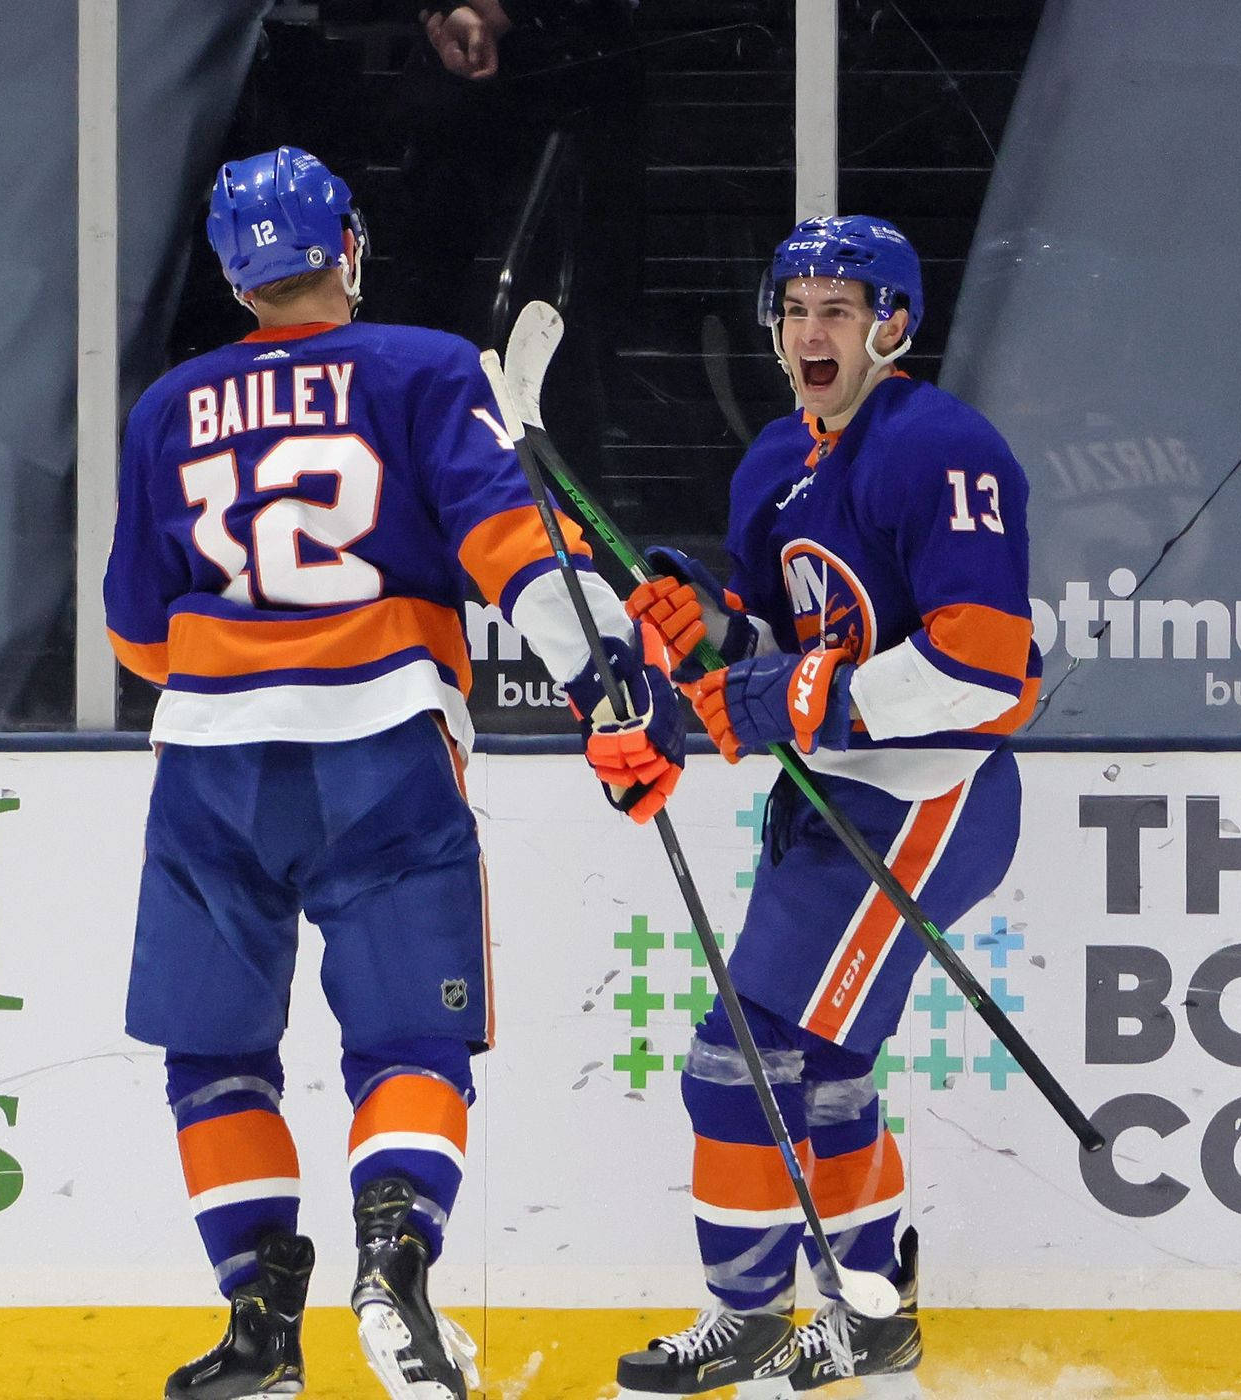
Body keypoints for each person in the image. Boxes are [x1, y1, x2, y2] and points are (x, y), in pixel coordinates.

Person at [103, 145, 684, 1400]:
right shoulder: (423, 368)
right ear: (347, 248)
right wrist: (607, 687)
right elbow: (515, 545)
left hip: (209, 761)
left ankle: (261, 1319)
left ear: (229, 275)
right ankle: (393, 1254)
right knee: (410, 1037)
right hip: (381, 744)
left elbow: (136, 636)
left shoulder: (165, 410)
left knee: (213, 1054)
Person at [617, 216, 1041, 1395]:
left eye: (836, 310)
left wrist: (810, 692)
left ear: (890, 326)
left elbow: (983, 666)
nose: (809, 330)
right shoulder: (772, 460)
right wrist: (702, 627)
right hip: (834, 796)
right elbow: (771, 643)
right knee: (821, 1065)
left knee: (735, 1058)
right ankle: (873, 1321)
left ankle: (746, 1315)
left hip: (930, 797)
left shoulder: (939, 448)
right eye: (794, 307)